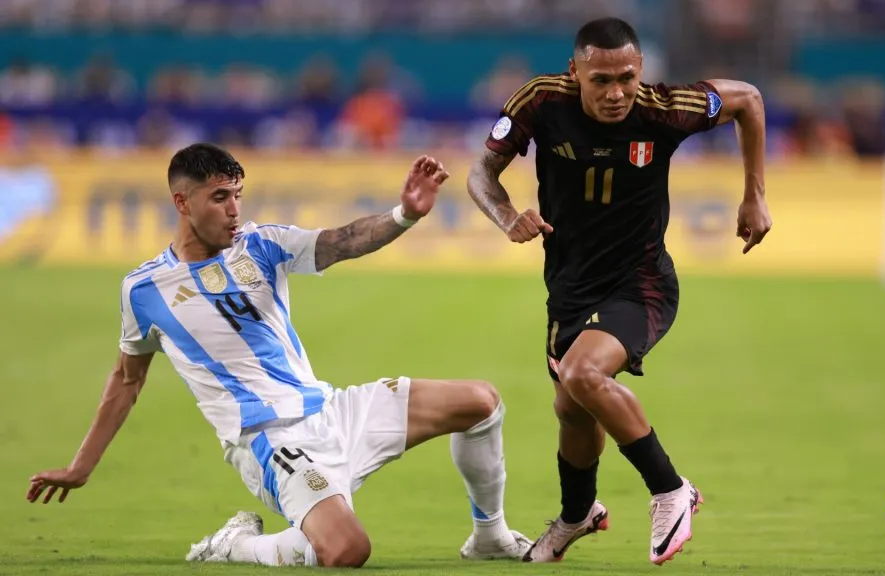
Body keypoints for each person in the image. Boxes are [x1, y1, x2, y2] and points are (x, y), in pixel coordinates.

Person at [26, 143, 532, 568]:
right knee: (347, 550)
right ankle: (236, 546)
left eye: (237, 196)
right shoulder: (144, 290)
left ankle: (489, 535)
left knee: (480, 402)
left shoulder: (261, 245)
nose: (233, 210)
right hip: (270, 442)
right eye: (219, 197)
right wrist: (81, 467)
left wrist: (404, 216)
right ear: (181, 203)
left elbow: (343, 242)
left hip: (333, 410)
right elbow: (127, 380)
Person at [466, 17, 772, 565]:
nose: (616, 93)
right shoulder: (540, 101)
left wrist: (754, 196)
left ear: (641, 72)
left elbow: (748, 99)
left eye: (627, 78)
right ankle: (577, 513)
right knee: (571, 407)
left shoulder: (665, 108)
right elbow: (481, 176)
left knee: (584, 375)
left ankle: (671, 488)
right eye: (601, 79)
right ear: (574, 72)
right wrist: (506, 214)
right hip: (570, 289)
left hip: (642, 284)